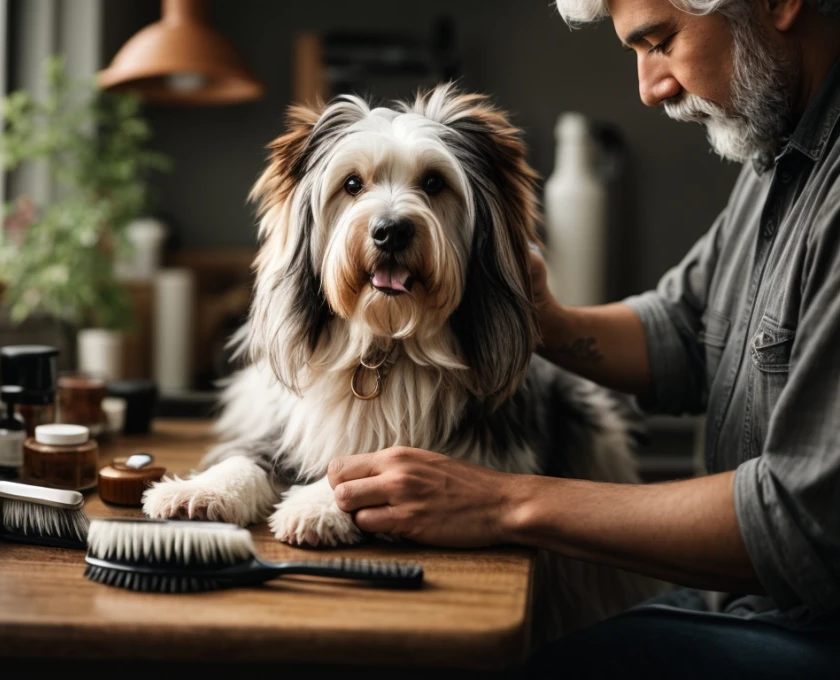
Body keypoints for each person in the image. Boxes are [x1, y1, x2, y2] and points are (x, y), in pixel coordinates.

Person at [326, 0, 840, 675]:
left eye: (661, 42)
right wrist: (545, 320)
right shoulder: (780, 156)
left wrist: (502, 502)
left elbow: (803, 519)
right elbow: (684, 333)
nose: (651, 88)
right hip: (744, 603)